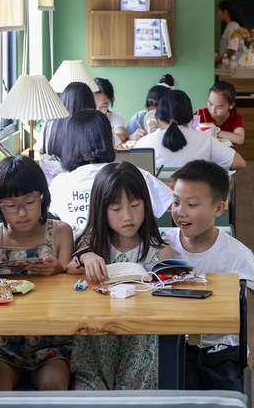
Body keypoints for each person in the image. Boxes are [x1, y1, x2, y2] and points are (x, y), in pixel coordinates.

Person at [166, 160, 254, 397]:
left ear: (219, 209)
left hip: (223, 350)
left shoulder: (237, 254)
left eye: (192, 204)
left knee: (228, 398)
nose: (181, 212)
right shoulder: (163, 245)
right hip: (174, 345)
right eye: (175, 202)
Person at [65, 161, 173, 390]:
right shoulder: (90, 244)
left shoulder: (160, 251)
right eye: (116, 209)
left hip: (141, 357)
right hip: (95, 352)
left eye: (135, 205)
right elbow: (68, 270)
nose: (127, 216)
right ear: (101, 210)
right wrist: (85, 257)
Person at [0, 155, 75, 390]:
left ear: (43, 197)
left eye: (30, 202)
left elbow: (71, 292)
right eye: (10, 205)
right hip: (0, 343)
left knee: (55, 387)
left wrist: (59, 269)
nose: (21, 213)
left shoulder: (59, 232)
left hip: (52, 340)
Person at [49, 109, 174, 231]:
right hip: (128, 250)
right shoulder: (133, 174)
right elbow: (172, 203)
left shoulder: (59, 184)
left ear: (69, 144)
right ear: (111, 139)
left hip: (77, 251)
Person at [134, 89, 246, 170]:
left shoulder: (144, 143)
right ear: (190, 117)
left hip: (155, 203)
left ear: (158, 117)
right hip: (197, 201)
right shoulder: (205, 139)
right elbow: (240, 163)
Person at [39, 82, 96, 185]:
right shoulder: (91, 126)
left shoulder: (49, 124)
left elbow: (42, 151)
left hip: (52, 181)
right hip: (83, 181)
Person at [195, 81, 245, 145]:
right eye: (210, 104)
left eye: (219, 107)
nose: (213, 111)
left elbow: (240, 139)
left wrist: (215, 131)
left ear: (231, 106)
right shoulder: (201, 114)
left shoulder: (235, 117)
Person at [126, 74, 174, 141]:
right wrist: (130, 137)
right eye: (149, 110)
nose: (153, 115)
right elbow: (122, 142)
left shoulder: (175, 119)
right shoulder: (139, 117)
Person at [93, 77, 127, 145]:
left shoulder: (114, 117)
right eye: (94, 104)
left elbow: (122, 135)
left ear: (110, 102)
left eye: (104, 106)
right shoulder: (81, 120)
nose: (98, 110)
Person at [215, 0, 245, 68]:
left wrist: (216, 62)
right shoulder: (232, 26)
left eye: (219, 11)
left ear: (225, 12)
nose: (218, 13)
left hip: (230, 69)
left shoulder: (233, 27)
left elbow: (231, 50)